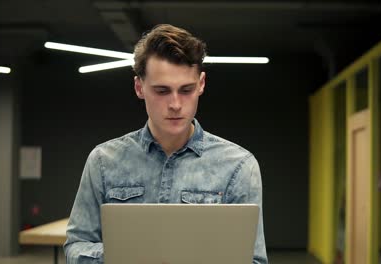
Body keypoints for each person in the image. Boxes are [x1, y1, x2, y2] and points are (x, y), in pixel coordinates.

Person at [64, 24, 268, 264]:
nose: (175, 104)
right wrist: (126, 256)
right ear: (139, 87)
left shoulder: (239, 167)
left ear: (201, 84)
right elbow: (76, 246)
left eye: (186, 90)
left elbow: (254, 260)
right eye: (162, 91)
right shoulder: (103, 161)